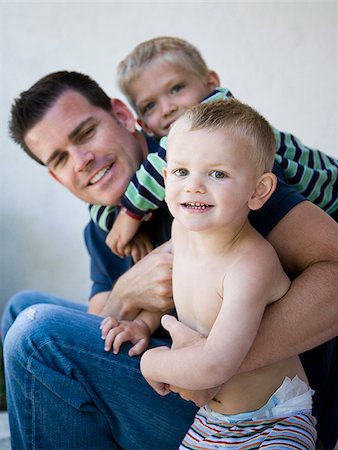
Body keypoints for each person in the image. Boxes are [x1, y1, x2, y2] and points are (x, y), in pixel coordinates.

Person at [2, 70, 337, 449]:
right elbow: (100, 324)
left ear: (123, 116)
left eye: (85, 134)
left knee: (39, 335)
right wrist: (129, 291)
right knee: (22, 310)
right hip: (184, 385)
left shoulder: (215, 180)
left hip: (263, 411)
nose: (82, 161)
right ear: (57, 178)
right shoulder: (103, 226)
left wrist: (210, 365)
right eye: (61, 158)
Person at [140, 98, 318, 448]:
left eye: (217, 173)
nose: (194, 185)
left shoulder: (250, 265)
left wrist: (151, 362)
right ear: (165, 178)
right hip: (212, 422)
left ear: (258, 190)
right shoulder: (181, 232)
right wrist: (142, 322)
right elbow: (182, 284)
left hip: (275, 419)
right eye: (181, 171)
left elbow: (215, 366)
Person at [88, 36, 337, 259]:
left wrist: (131, 214)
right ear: (145, 125)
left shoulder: (223, 112)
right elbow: (101, 204)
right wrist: (119, 223)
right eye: (150, 106)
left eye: (176, 88)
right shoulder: (183, 145)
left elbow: (162, 161)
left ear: (211, 84)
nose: (167, 108)